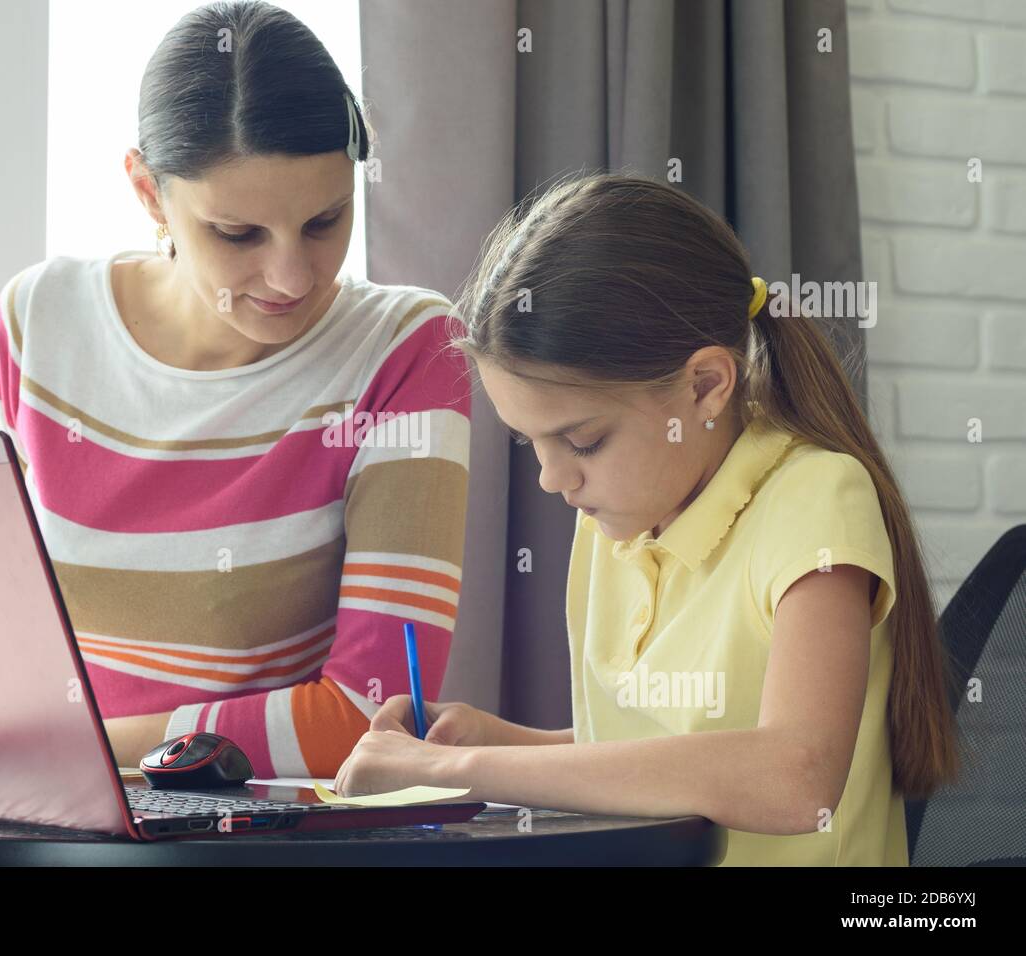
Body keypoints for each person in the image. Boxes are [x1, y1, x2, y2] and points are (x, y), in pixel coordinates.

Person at [334, 171, 960, 866]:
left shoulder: (816, 499)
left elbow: (794, 778)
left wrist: (454, 773)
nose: (553, 479)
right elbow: (656, 757)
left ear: (704, 387)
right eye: (529, 444)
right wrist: (494, 742)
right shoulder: (615, 517)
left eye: (581, 441)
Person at [0, 0, 471, 776]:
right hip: (50, 812)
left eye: (325, 220)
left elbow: (372, 717)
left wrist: (83, 749)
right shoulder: (38, 324)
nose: (292, 276)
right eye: (238, 234)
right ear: (148, 192)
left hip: (262, 835)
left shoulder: (404, 350)